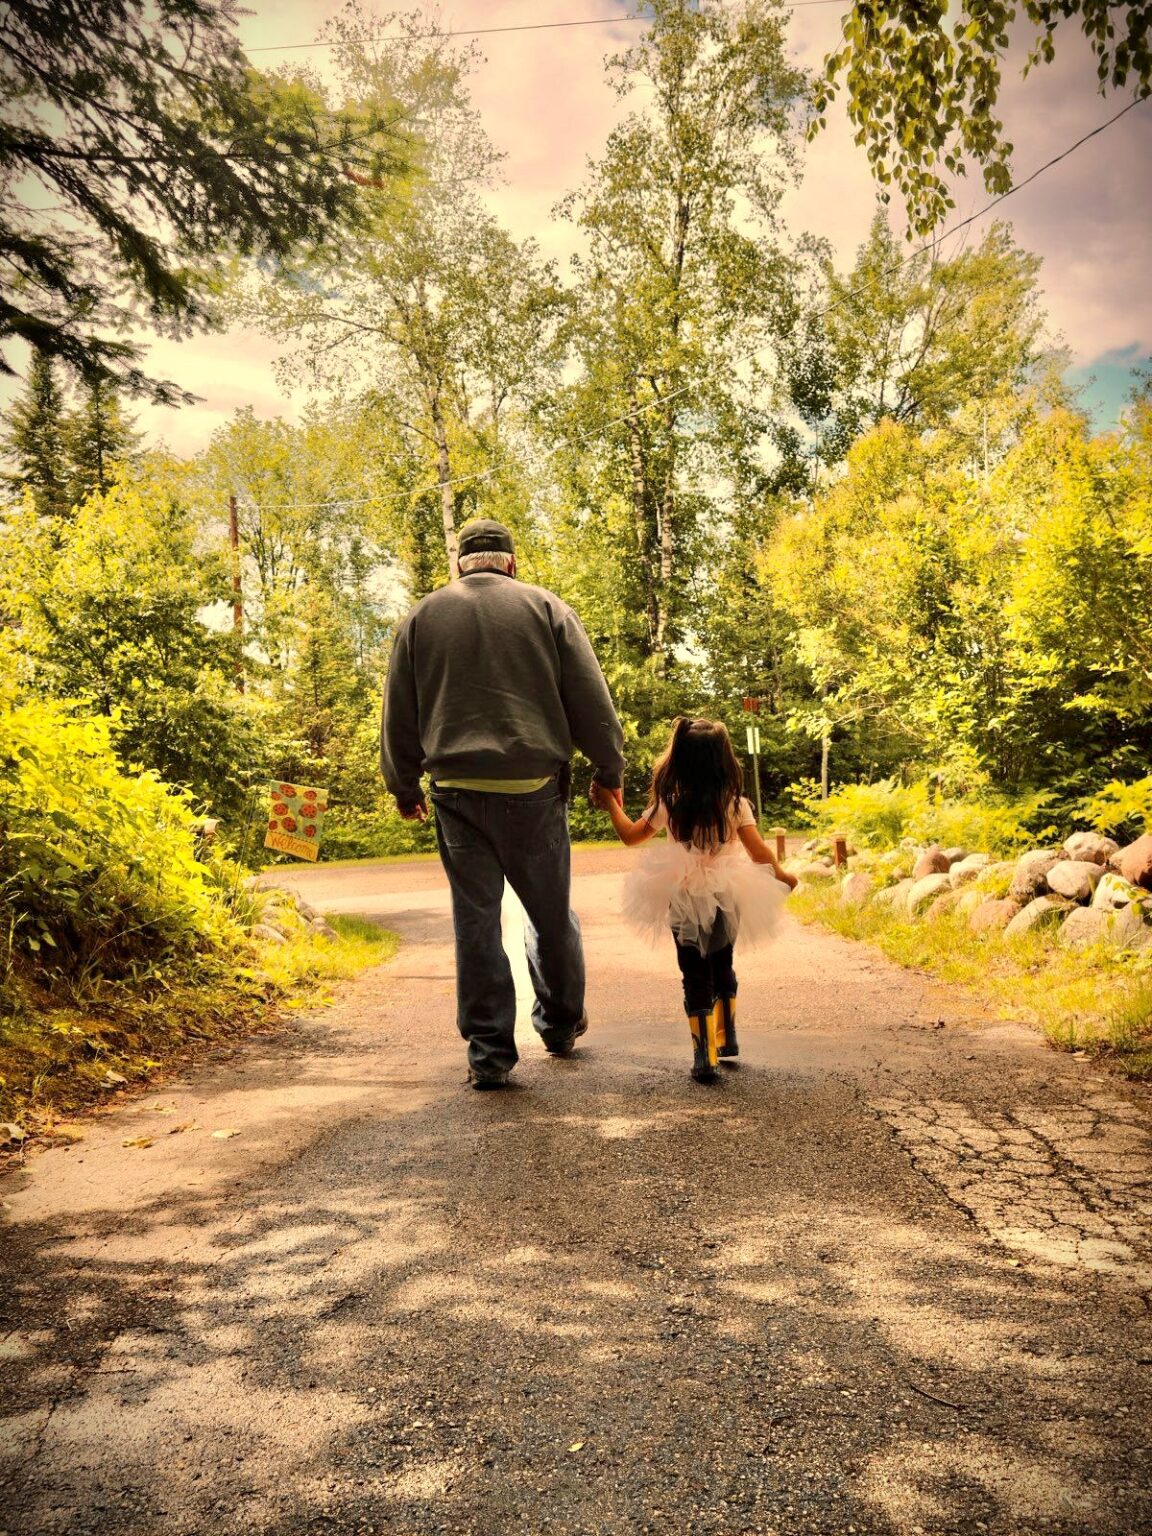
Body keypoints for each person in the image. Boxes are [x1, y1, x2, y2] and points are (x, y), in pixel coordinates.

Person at [380, 518, 626, 1090]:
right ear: (510, 562)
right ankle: (560, 1025)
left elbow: (399, 711)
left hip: (458, 796)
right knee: (549, 913)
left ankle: (489, 1054)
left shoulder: (420, 617)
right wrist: (607, 770)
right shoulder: (548, 609)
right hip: (534, 792)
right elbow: (591, 700)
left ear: (460, 565)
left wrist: (403, 784)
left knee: (476, 922)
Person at [592, 716, 797, 1083]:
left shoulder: (669, 804)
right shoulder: (735, 804)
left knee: (693, 971)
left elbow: (629, 836)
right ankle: (726, 1035)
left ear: (679, 759)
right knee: (723, 963)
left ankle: (705, 1055)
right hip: (727, 891)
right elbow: (759, 852)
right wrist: (782, 876)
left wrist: (610, 803)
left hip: (682, 891)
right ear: (724, 760)